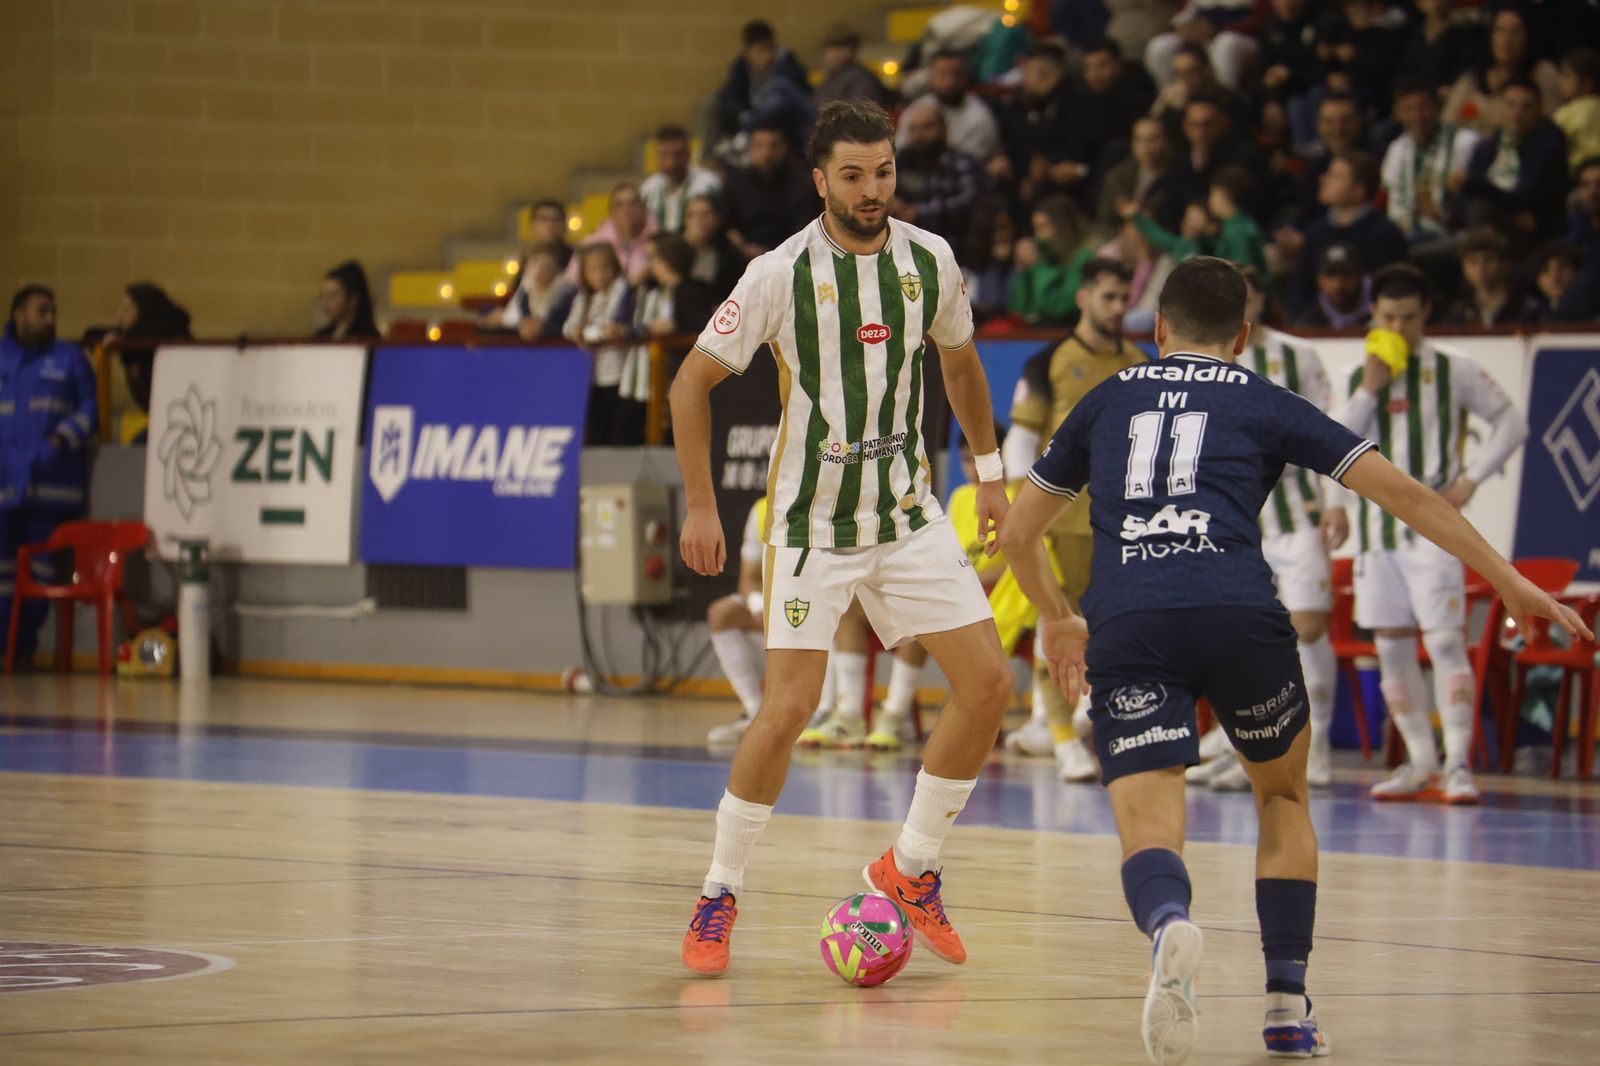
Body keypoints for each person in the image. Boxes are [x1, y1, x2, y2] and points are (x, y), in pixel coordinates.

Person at [997, 256, 1589, 1064]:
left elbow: (1018, 535)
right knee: (1281, 797)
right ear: (1243, 335)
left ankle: (1171, 924)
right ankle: (1284, 1005)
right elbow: (1406, 494)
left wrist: (1060, 618)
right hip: (1240, 614)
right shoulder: (1270, 401)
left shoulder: (1105, 398)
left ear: (1158, 329)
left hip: (1129, 621)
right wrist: (1509, 579)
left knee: (1149, 822)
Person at [671, 99, 1013, 977]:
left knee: (986, 685)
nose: (872, 189)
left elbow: (963, 363)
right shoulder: (778, 274)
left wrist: (992, 470)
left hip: (905, 516)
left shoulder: (930, 260)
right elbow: (687, 387)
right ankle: (718, 893)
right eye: (854, 175)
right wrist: (703, 505)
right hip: (810, 526)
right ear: (821, 180)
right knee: (789, 709)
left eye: (885, 171)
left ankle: (909, 868)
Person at [1326, 265, 1530, 805]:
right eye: (1388, 316)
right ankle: (1420, 761)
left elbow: (1512, 424)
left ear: (1426, 315)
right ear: (1374, 315)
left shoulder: (1453, 369)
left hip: (1433, 533)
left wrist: (1470, 479)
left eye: (1408, 317)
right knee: (1390, 647)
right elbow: (1330, 444)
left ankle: (1459, 763)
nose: (1397, 326)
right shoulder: (1353, 377)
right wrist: (1337, 505)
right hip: (1375, 534)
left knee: (1441, 640)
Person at [1192, 267, 1342, 793]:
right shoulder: (1208, 357)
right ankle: (1249, 750)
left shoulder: (1299, 356)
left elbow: (1333, 426)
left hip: (1297, 515)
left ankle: (1316, 747)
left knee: (1309, 628)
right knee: (1241, 635)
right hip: (1234, 523)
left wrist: (1336, 501)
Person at [1002, 257, 1144, 782]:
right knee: (1056, 623)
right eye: (1107, 296)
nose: (1117, 307)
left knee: (1110, 634)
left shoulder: (1138, 361)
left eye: (1123, 297)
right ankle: (1064, 742)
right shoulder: (1049, 362)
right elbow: (1020, 440)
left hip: (1118, 525)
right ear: (1083, 298)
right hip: (1058, 524)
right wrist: (1023, 512)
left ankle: (1078, 727)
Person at [0, 286, 97, 664]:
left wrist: (62, 437)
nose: (51, 319)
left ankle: (21, 648)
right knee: (5, 579)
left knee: (40, 578)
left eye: (54, 311)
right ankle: (7, 650)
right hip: (6, 488)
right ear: (18, 314)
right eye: (42, 311)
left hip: (50, 488)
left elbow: (91, 409)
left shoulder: (70, 360)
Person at [704, 495, 838, 746]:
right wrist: (758, 607)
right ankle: (754, 710)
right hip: (779, 603)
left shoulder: (832, 501)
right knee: (721, 614)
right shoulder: (762, 509)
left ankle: (824, 713)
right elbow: (750, 576)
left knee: (830, 617)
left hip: (823, 601)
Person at [1282, 151, 1408, 318]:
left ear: (1358, 190)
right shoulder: (1316, 232)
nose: (1323, 180)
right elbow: (1301, 289)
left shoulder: (1384, 233)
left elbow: (1392, 292)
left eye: (1335, 177)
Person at [1456, 79, 1572, 244]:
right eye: (1511, 105)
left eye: (1526, 107)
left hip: (1533, 235)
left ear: (1540, 109)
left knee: (1481, 208)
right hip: (1482, 227)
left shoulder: (1550, 142)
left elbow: (1525, 196)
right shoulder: (1489, 145)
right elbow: (1465, 195)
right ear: (1501, 107)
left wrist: (1475, 184)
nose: (1517, 114)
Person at [1380, 77, 1480, 243]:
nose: (1417, 117)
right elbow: (1385, 197)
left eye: (1423, 108)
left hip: (1450, 235)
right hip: (1400, 234)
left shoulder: (1466, 142)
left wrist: (1443, 214)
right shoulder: (1396, 149)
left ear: (1438, 107)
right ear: (1398, 113)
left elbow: (1476, 200)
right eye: (1408, 110)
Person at [996, 42, 1091, 211]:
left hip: (1073, 187)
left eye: (1026, 73)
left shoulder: (1075, 101)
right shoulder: (1033, 104)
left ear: (1040, 73)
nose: (1023, 80)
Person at [563, 243, 638, 446]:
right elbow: (569, 327)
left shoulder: (622, 291)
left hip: (618, 373)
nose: (600, 274)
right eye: (593, 269)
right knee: (595, 433)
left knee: (617, 435)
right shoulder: (583, 297)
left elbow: (609, 325)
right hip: (592, 374)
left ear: (615, 268)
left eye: (605, 268)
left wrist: (585, 333)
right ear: (584, 273)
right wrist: (576, 331)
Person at [1443, 7, 1561, 136]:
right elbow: (1448, 124)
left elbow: (1552, 124)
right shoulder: (1474, 76)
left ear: (1528, 37)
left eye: (1515, 32)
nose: (1506, 40)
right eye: (1499, 31)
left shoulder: (1543, 73)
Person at [891, 100, 983, 250]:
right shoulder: (899, 162)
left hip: (950, 244)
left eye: (927, 127)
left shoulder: (960, 164)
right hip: (903, 244)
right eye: (913, 129)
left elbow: (970, 203)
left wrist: (920, 213)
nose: (919, 135)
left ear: (944, 129)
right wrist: (891, 203)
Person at [719, 124, 817, 261]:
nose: (767, 153)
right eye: (759, 146)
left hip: (789, 258)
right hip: (741, 257)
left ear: (785, 148)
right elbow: (726, 224)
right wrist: (743, 247)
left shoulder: (803, 184)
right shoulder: (736, 182)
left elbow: (804, 231)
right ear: (749, 150)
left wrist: (771, 254)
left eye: (774, 146)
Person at [712, 19, 813, 150]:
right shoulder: (742, 66)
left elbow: (792, 99)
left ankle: (744, 136)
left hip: (788, 121)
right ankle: (711, 154)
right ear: (748, 52)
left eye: (769, 48)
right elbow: (730, 94)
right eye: (760, 50)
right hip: (756, 118)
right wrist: (744, 114)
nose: (766, 55)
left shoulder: (788, 64)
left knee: (778, 89)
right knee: (711, 104)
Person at [111, 282, 191, 433]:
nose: (120, 316)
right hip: (160, 421)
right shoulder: (132, 347)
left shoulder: (169, 347)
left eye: (127, 310)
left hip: (179, 423)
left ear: (144, 313)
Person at [897, 50, 1001, 164]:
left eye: (956, 74)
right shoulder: (915, 111)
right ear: (931, 77)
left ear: (966, 76)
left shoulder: (980, 116)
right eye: (943, 74)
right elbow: (901, 151)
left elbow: (972, 161)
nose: (950, 82)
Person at [566, 183, 656, 287]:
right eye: (619, 205)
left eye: (633, 204)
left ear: (643, 209)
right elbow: (571, 284)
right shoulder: (591, 244)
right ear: (611, 212)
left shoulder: (658, 243)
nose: (627, 211)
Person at [1444, 227, 1536, 326]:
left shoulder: (1528, 310)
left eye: (1488, 260)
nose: (1480, 268)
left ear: (1505, 264)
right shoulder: (1460, 312)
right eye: (1472, 261)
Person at [639, 126, 721, 235]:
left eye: (677, 155)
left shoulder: (709, 185)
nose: (671, 163)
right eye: (664, 156)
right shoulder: (648, 189)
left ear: (688, 155)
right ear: (657, 157)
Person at [494, 243, 574, 341]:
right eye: (535, 264)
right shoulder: (525, 293)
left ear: (556, 270)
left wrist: (543, 329)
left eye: (547, 266)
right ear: (526, 268)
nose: (539, 270)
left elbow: (565, 326)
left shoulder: (566, 296)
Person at [1293, 242, 1370, 329]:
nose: (1339, 284)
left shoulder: (1381, 318)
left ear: (1361, 276)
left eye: (1347, 274)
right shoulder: (1308, 324)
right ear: (1319, 279)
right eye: (1330, 274)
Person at [814, 23, 893, 107]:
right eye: (831, 47)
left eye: (841, 46)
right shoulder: (830, 77)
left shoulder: (861, 79)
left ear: (854, 49)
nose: (835, 52)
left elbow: (859, 114)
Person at [682, 195, 743, 304]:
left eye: (704, 215)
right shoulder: (675, 249)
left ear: (717, 219)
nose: (698, 221)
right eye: (692, 215)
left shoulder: (729, 255)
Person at [1554, 48, 1600, 174]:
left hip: (1580, 178)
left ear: (1587, 83)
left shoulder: (1566, 114)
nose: (1560, 82)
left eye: (1566, 76)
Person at [313, 260, 378, 340]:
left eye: (332, 296)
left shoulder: (370, 338)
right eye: (322, 296)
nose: (324, 302)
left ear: (353, 299)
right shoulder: (320, 337)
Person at [524, 199, 574, 271]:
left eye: (556, 220)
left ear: (565, 226)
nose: (550, 225)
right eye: (543, 219)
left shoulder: (574, 259)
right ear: (532, 225)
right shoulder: (526, 257)